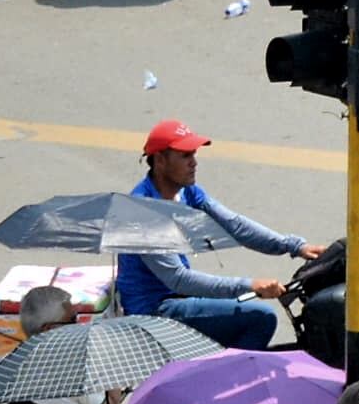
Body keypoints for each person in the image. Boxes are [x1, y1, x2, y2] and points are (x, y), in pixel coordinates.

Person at [112, 120, 303, 350]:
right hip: (157, 309)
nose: (194, 163)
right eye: (185, 156)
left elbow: (235, 226)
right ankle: (223, 383)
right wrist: (251, 286)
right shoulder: (143, 212)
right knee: (261, 317)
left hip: (178, 297)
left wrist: (294, 246)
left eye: (194, 154)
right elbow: (179, 279)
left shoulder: (186, 191)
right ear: (160, 160)